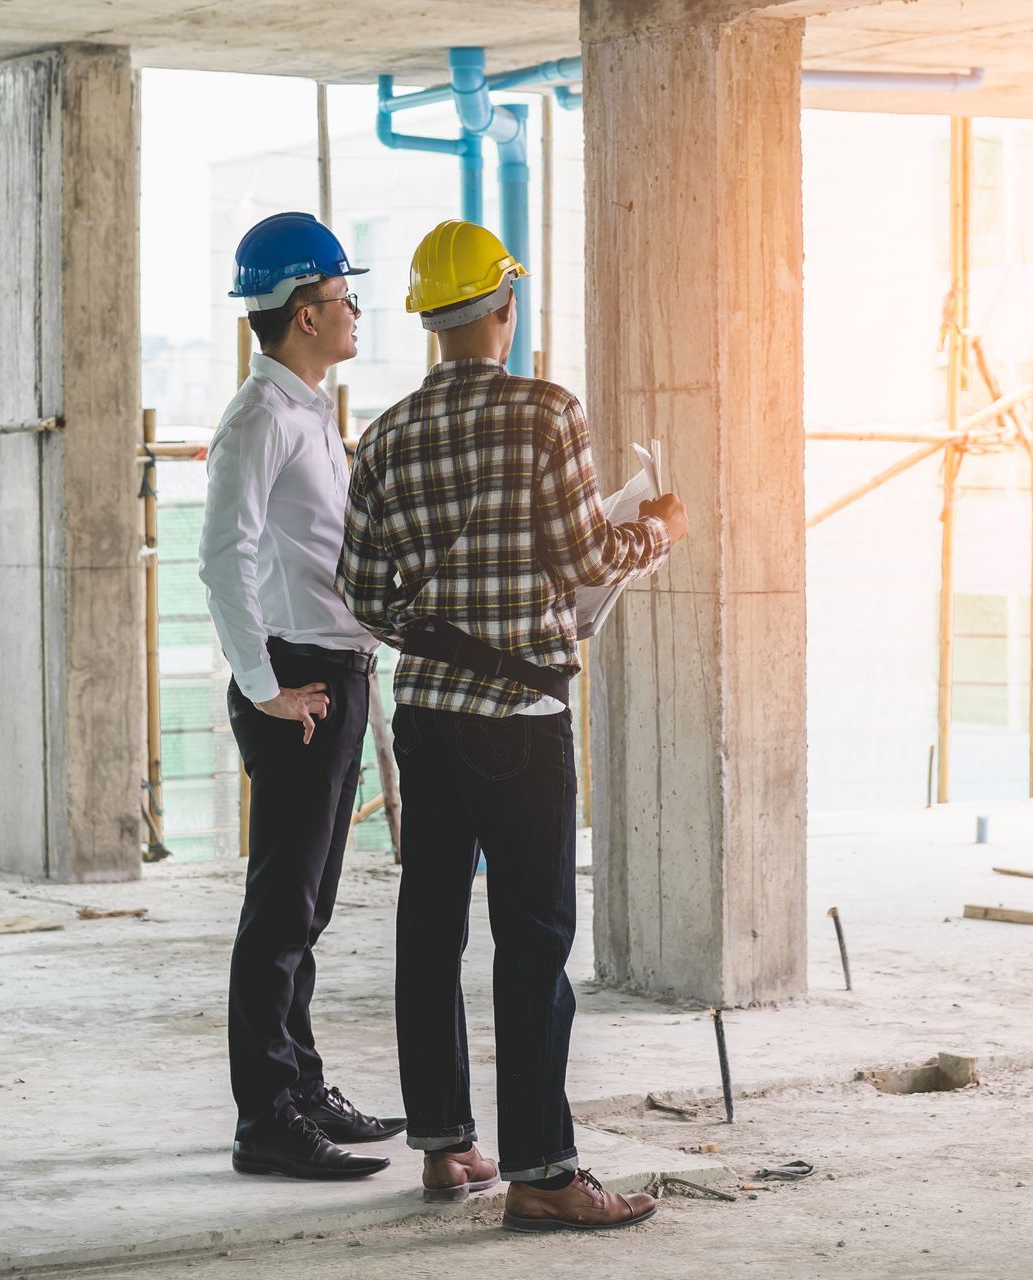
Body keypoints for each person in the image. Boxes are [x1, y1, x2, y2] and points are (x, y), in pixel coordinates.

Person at [338, 220, 685, 1227]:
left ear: (431, 324)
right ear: (506, 308)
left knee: (429, 927)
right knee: (532, 937)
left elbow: (362, 593)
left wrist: (438, 624)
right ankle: (541, 1169)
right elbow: (585, 556)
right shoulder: (546, 412)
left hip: (425, 715)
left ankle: (448, 1148)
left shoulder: (387, 435)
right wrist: (659, 529)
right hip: (522, 717)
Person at [199, 212, 405, 1181]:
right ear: (306, 312)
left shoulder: (308, 410)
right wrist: (265, 685)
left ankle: (302, 1086)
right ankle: (266, 1120)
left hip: (336, 671)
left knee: (309, 903)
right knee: (281, 907)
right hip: (299, 680)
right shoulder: (258, 422)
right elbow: (221, 558)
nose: (356, 309)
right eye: (343, 297)